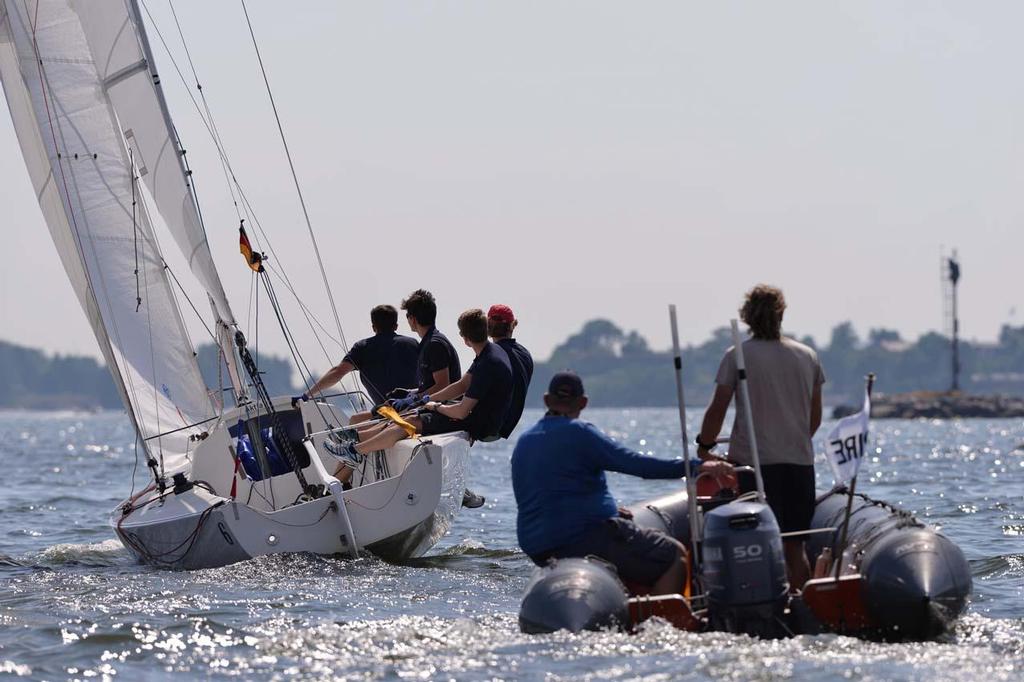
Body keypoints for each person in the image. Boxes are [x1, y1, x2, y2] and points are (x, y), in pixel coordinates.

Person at [512, 371, 733, 596]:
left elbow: (546, 493)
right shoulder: (580, 433)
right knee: (674, 555)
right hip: (581, 538)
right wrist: (696, 466)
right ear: (583, 402)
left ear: (547, 400)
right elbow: (638, 465)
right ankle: (659, 625)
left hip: (536, 546)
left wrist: (606, 511)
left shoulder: (525, 440)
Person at [696, 284, 825, 589]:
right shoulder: (807, 356)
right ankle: (799, 602)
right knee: (794, 545)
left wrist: (704, 447)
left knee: (755, 540)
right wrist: (794, 439)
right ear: (781, 314)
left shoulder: (737, 356)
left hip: (754, 465)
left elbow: (718, 409)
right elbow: (814, 416)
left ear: (747, 316)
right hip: (799, 463)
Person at [326, 309, 512, 468]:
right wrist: (424, 400)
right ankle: (356, 437)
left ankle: (355, 451)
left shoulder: (487, 365)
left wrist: (435, 407)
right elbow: (462, 384)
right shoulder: (490, 352)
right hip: (476, 414)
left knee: (410, 423)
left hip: (479, 424)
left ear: (464, 339)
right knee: (410, 413)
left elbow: (462, 412)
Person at [295, 305, 418, 406]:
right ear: (396, 326)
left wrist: (307, 395)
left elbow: (338, 372)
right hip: (414, 406)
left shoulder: (363, 347)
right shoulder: (412, 344)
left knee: (354, 421)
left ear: (373, 327)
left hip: (386, 413)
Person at [487, 304, 534, 439]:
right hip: (506, 426)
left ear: (487, 325)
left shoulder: (492, 353)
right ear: (513, 325)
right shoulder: (525, 354)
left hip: (489, 426)